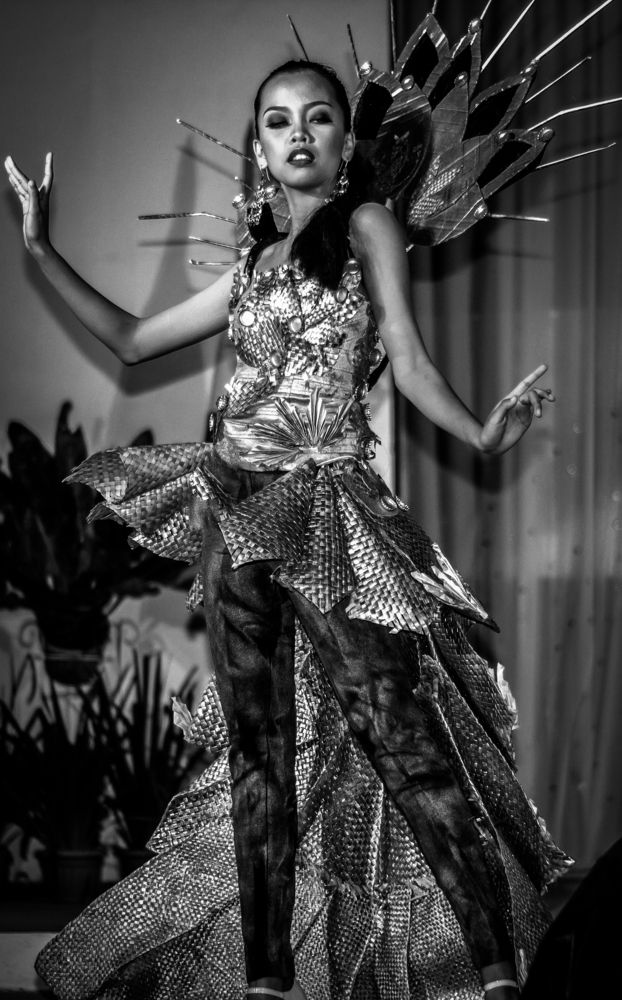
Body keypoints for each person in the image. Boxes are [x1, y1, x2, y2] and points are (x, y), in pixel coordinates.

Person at [5, 59, 568, 1000]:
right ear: (260, 147)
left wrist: (481, 433)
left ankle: (497, 973)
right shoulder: (251, 265)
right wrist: (39, 248)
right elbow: (134, 342)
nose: (297, 134)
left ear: (346, 143)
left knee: (402, 740)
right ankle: (266, 980)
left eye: (317, 118)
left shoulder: (369, 225)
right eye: (277, 121)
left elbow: (407, 359)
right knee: (256, 760)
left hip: (330, 514)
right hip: (235, 513)